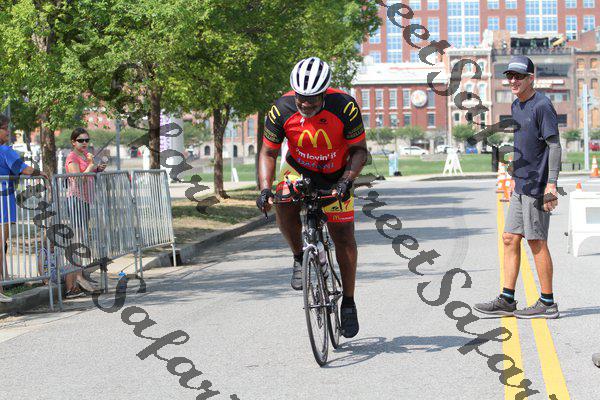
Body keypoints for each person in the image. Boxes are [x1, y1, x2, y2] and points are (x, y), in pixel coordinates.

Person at [256, 57, 368, 338]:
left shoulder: (344, 106)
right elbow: (268, 152)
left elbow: (359, 151)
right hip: (299, 169)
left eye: (313, 98)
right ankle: (298, 257)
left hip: (337, 174)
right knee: (282, 199)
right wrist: (265, 189)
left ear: (324, 93)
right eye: (301, 97)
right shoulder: (280, 109)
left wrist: (346, 181)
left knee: (343, 236)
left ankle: (349, 303)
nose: (306, 104)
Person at [474, 56, 562, 319]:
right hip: (520, 184)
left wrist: (551, 184)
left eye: (519, 76)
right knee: (509, 238)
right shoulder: (516, 105)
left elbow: (554, 146)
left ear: (531, 78)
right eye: (510, 76)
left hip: (537, 185)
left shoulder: (542, 105)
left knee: (536, 241)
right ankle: (507, 299)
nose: (513, 80)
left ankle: (547, 303)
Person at [0, 114, 47, 302]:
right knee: (0, 244)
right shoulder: (5, 150)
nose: (8, 131)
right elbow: (25, 169)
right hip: (3, 203)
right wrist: (41, 173)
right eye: (5, 128)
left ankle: (3, 282)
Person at [63, 127, 106, 298]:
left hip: (86, 201)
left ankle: (79, 277)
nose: (84, 143)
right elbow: (78, 178)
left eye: (87, 140)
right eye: (81, 140)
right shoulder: (72, 157)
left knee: (80, 241)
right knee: (76, 242)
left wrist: (97, 168)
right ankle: (72, 283)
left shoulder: (83, 157)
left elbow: (87, 173)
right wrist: (91, 165)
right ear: (73, 142)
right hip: (76, 200)